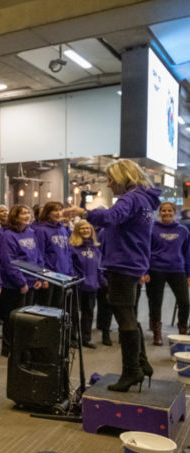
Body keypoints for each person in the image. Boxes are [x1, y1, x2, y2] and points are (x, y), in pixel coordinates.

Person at [67, 159, 161, 392]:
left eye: (111, 179)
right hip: (133, 262)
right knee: (127, 312)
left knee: (123, 315)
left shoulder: (131, 198)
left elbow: (109, 218)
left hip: (124, 263)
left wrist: (84, 212)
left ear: (123, 177)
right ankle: (141, 362)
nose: (109, 184)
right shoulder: (145, 199)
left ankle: (132, 371)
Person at [0, 205, 44, 357]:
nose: (27, 215)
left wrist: (39, 276)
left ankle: (22, 346)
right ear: (15, 217)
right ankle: (9, 348)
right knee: (13, 318)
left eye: (28, 213)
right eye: (23, 213)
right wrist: (21, 282)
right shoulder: (8, 236)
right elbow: (9, 261)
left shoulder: (31, 232)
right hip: (15, 285)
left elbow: (38, 256)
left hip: (31, 282)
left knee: (26, 319)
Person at [145, 202, 190, 344]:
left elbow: (188, 253)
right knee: (155, 302)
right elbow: (145, 251)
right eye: (163, 211)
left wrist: (188, 274)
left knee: (184, 302)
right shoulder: (152, 229)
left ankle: (182, 330)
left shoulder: (183, 230)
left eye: (170, 211)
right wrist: (145, 270)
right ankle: (157, 334)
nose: (166, 213)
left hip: (177, 269)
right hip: (156, 269)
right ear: (159, 213)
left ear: (174, 212)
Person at [70, 220, 106, 349]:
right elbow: (70, 266)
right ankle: (73, 338)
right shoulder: (72, 248)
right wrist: (76, 278)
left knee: (88, 312)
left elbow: (99, 267)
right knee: (74, 313)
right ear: (77, 231)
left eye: (88, 228)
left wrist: (102, 281)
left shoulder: (95, 248)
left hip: (92, 285)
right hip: (77, 285)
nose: (85, 231)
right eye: (82, 228)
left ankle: (86, 338)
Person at [34, 201, 74, 307]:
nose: (59, 213)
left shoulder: (63, 230)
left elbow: (67, 252)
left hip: (63, 275)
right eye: (55, 210)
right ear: (47, 213)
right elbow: (39, 255)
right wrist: (42, 277)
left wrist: (70, 273)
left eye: (60, 210)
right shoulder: (41, 230)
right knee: (46, 309)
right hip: (49, 275)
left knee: (59, 308)